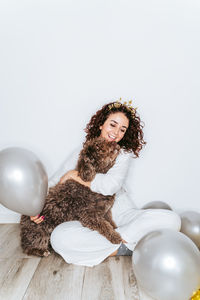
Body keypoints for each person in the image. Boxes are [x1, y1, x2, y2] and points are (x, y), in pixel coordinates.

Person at [31, 99, 181, 267]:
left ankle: (115, 241)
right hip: (85, 219)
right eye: (113, 125)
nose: (116, 133)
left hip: (120, 216)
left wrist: (76, 175)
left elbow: (110, 186)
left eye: (122, 129)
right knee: (59, 238)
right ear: (101, 124)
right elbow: (54, 182)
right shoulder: (80, 152)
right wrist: (35, 208)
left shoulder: (123, 155)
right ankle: (128, 246)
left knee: (172, 219)